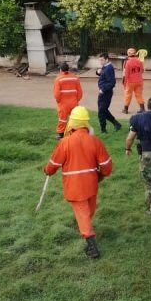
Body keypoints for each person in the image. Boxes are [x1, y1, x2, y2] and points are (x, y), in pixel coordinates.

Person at [43, 106, 113, 259]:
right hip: (92, 184)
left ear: (72, 123)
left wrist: (47, 170)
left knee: (82, 213)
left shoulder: (65, 142)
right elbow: (107, 164)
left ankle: (91, 245)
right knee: (88, 210)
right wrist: (101, 175)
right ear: (86, 123)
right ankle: (86, 228)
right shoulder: (95, 141)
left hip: (75, 186)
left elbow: (53, 164)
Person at [53, 63, 83, 139]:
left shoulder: (58, 79)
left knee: (62, 119)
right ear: (68, 69)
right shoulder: (75, 78)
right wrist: (76, 100)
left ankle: (61, 135)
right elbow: (80, 92)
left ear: (60, 70)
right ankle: (75, 132)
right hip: (74, 102)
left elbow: (56, 94)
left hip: (63, 103)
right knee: (74, 118)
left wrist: (59, 101)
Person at [95, 53, 122, 134]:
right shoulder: (105, 66)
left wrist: (103, 89)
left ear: (107, 59)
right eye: (100, 60)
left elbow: (112, 82)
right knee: (103, 110)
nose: (100, 62)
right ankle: (116, 124)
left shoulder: (109, 68)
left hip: (105, 93)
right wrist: (98, 72)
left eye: (102, 60)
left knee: (101, 112)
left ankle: (103, 130)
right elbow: (103, 75)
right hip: (104, 92)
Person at [122, 47, 145, 114]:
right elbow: (142, 70)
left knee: (128, 95)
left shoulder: (127, 62)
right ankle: (142, 108)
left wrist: (124, 83)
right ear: (135, 53)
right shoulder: (139, 60)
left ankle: (125, 109)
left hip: (130, 82)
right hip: (139, 81)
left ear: (128, 54)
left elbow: (126, 74)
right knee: (139, 95)